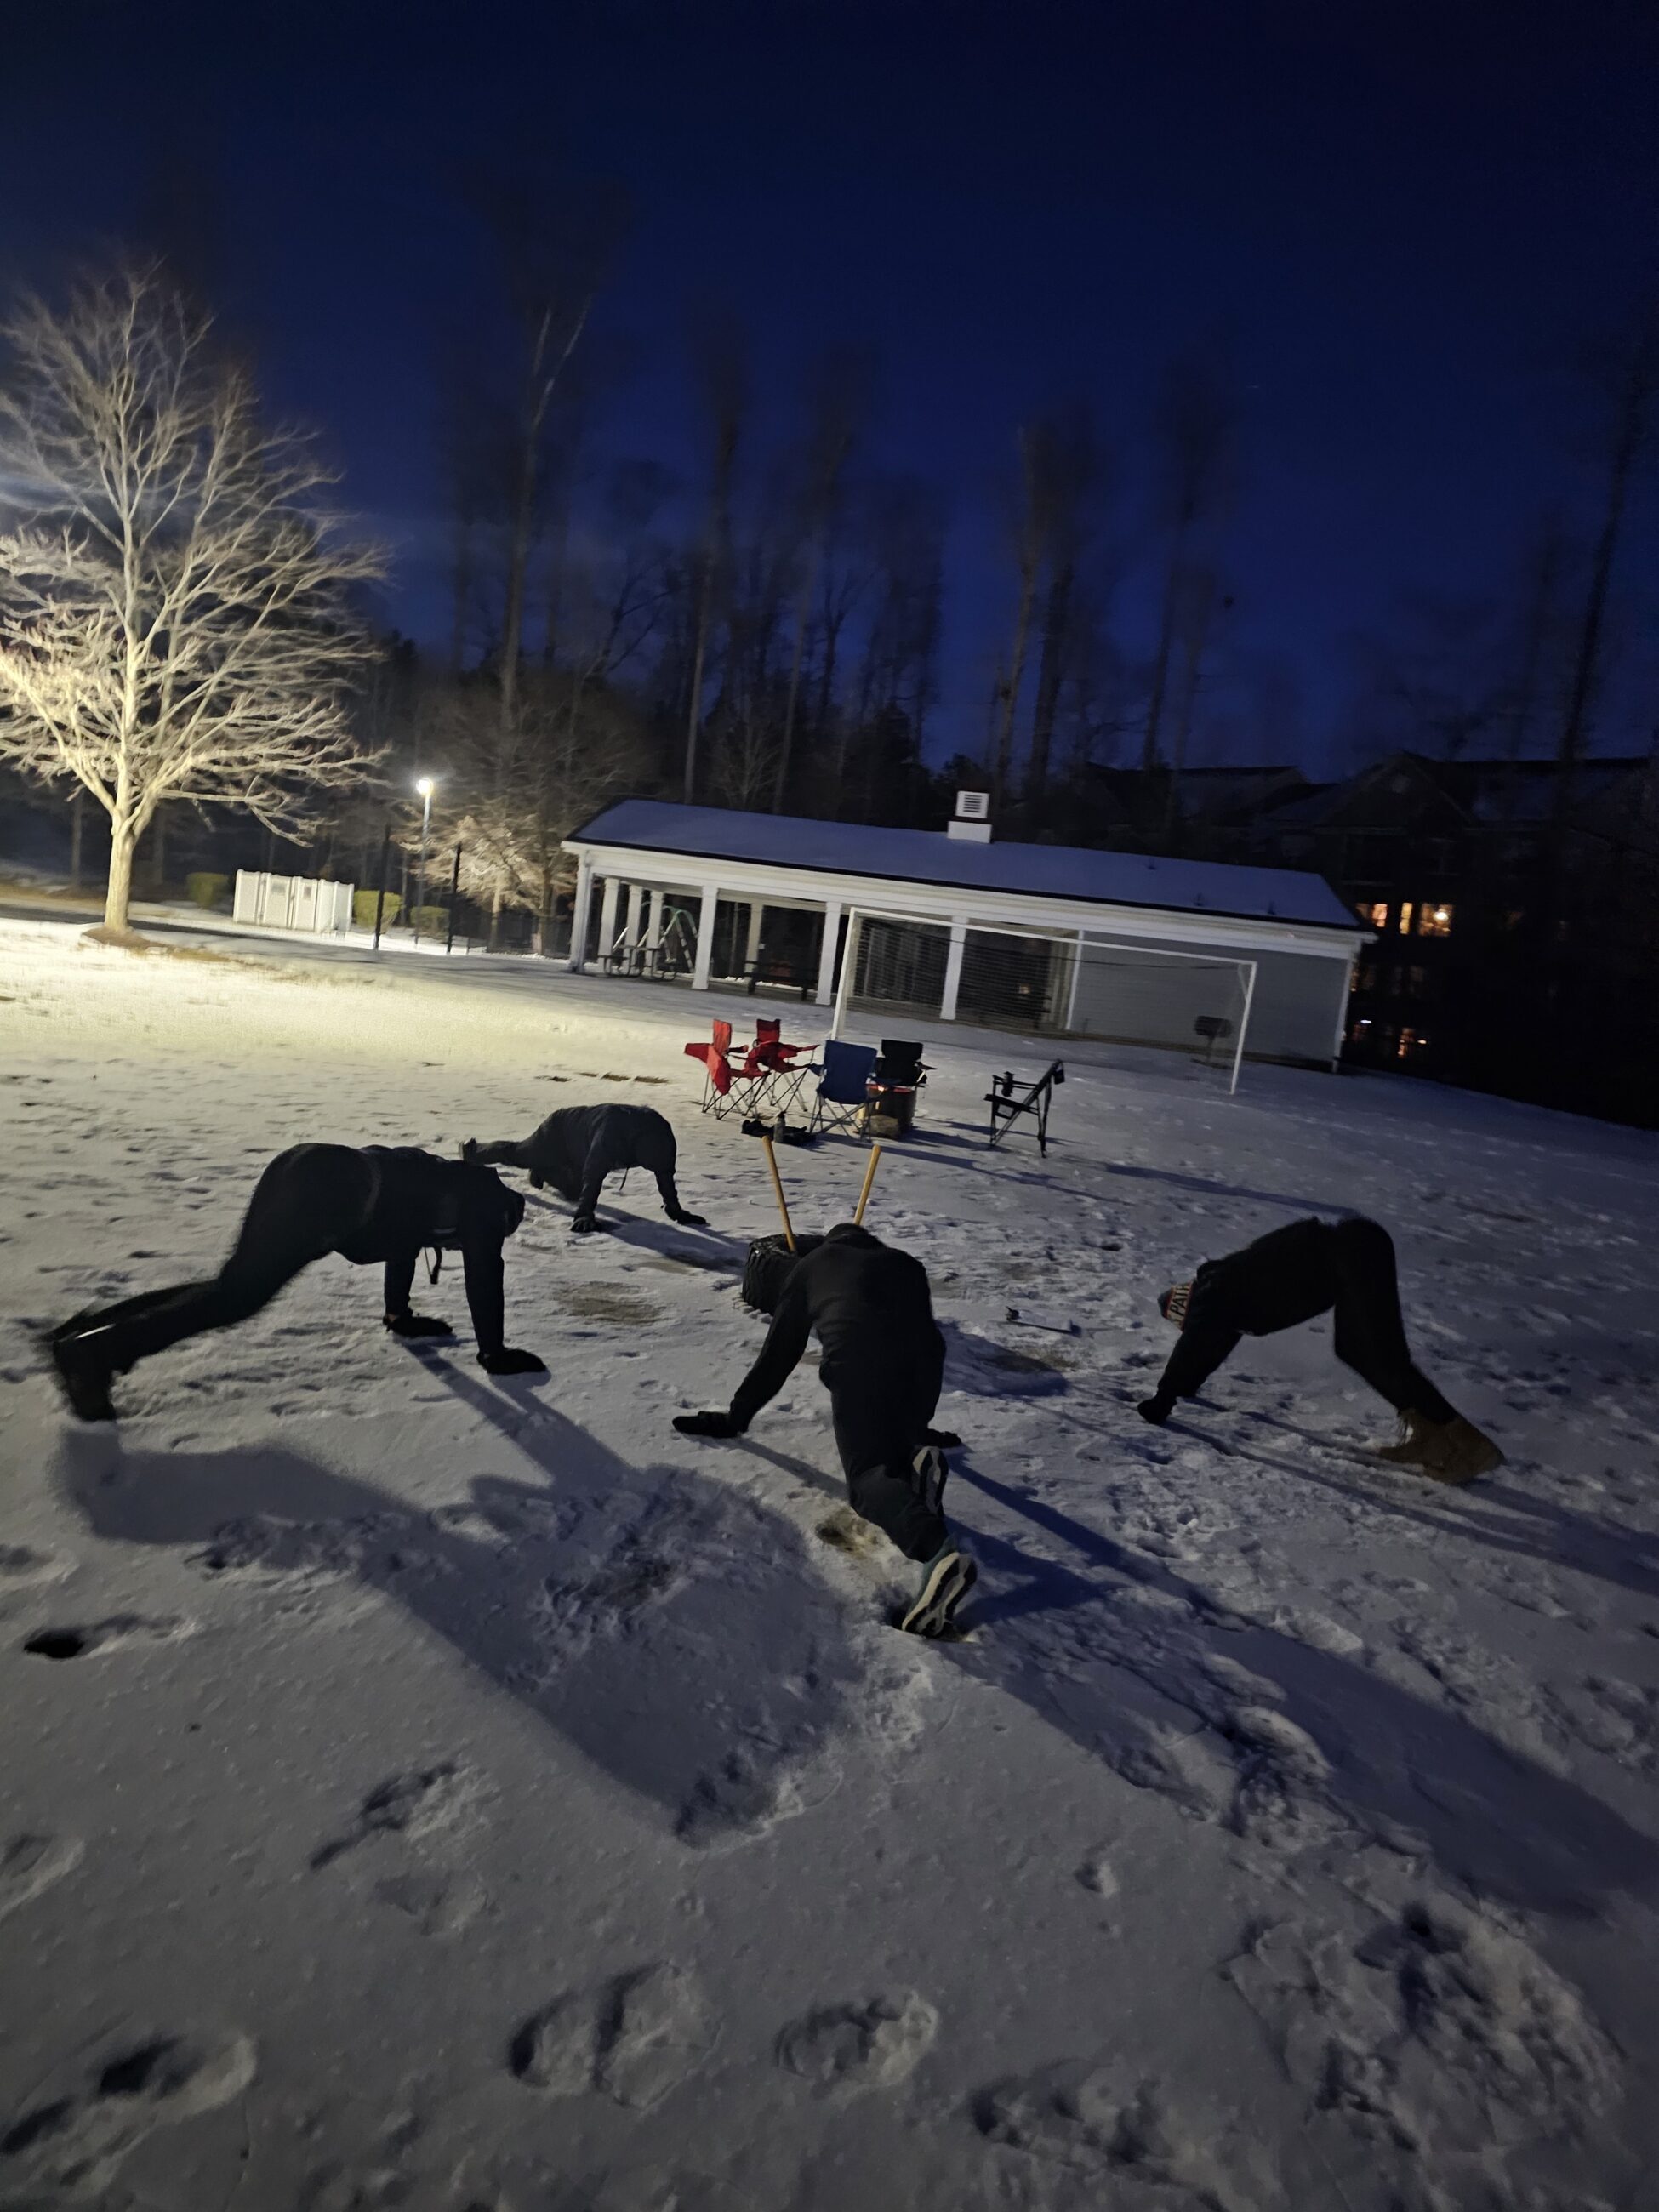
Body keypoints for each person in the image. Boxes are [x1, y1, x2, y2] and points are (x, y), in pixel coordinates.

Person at [49, 1144, 545, 1422]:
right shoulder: (487, 1205)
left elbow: (405, 1243)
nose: (464, 1249)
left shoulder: (446, 1182)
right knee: (238, 1298)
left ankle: (87, 1335)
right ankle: (95, 1356)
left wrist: (399, 1315)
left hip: (307, 1162)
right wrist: (494, 1352)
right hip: (333, 1191)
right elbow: (485, 1274)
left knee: (229, 1286)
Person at [671, 1222, 975, 1637]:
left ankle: (936, 1551)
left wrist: (735, 1418)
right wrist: (921, 1428)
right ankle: (914, 1457)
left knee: (866, 1479)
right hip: (926, 1369)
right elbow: (920, 1340)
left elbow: (779, 1354)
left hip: (859, 1364)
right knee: (893, 1437)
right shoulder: (906, 1264)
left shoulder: (812, 1266)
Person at [1137, 1214, 1502, 1482]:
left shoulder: (1213, 1293)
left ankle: (1468, 1444)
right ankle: (1431, 1435)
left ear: (1186, 1307)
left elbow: (1195, 1344)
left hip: (1354, 1253)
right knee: (1356, 1351)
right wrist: (1187, 1387)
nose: (1192, 1328)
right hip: (1356, 1250)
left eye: (1187, 1323)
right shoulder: (1228, 1296)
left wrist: (1163, 1399)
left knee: (1380, 1356)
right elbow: (1208, 1347)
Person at [462, 1104, 707, 1236]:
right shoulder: (613, 1135)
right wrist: (584, 1214)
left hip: (583, 1147)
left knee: (573, 1192)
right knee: (520, 1155)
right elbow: (593, 1172)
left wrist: (674, 1209)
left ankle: (544, 1170)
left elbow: (665, 1174)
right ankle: (473, 1152)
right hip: (560, 1131)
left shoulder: (662, 1136)